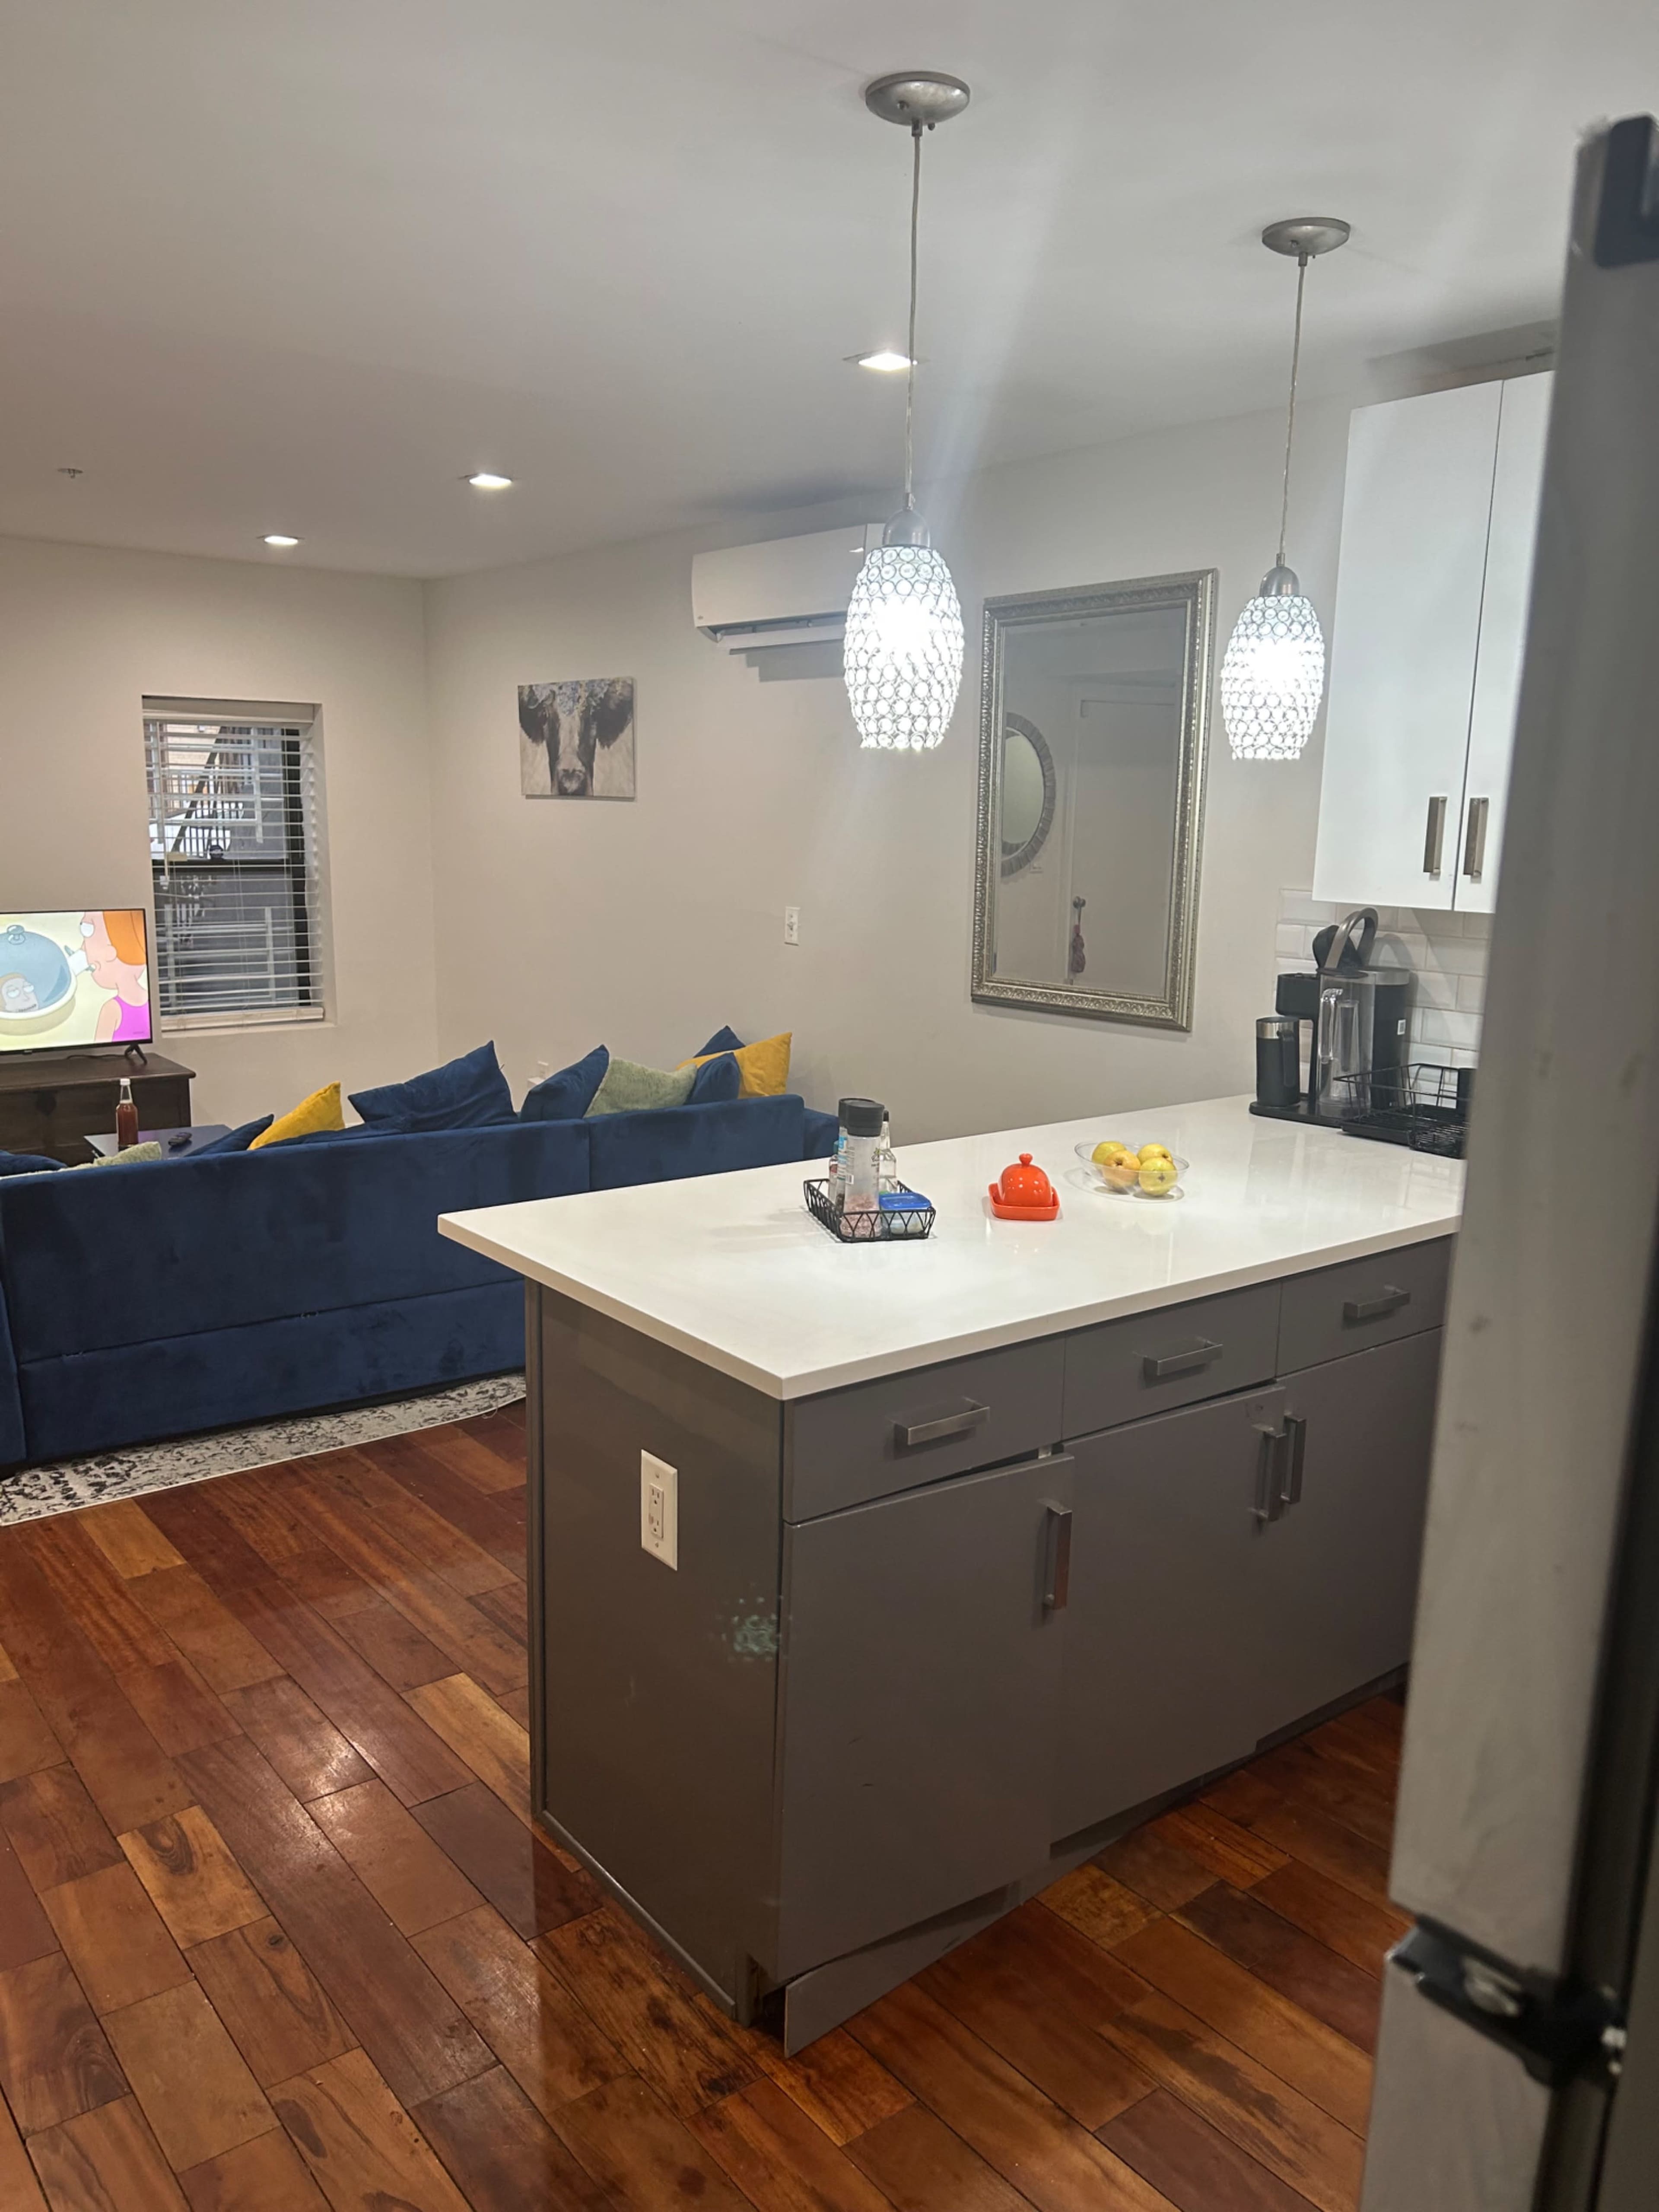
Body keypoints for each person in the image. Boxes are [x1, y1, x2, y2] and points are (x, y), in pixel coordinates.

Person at [84, 910, 151, 1045]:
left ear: (110, 953)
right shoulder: (148, 1001)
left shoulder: (111, 1009)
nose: (83, 948)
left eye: (88, 930)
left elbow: (98, 1052)